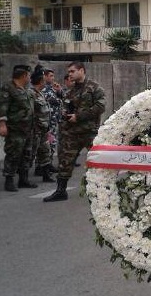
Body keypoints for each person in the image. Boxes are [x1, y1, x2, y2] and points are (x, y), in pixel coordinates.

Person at [43, 61, 106, 202]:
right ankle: (60, 191)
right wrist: (66, 113)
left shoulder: (94, 88)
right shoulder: (70, 91)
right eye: (69, 72)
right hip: (71, 133)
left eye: (72, 71)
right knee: (65, 162)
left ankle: (102, 191)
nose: (70, 74)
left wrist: (79, 116)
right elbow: (66, 106)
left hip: (89, 132)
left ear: (82, 71)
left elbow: (100, 107)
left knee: (99, 162)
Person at [0, 64, 37, 191]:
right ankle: (9, 180)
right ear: (24, 75)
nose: (30, 78)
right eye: (28, 75)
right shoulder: (8, 88)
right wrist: (2, 125)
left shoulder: (25, 89)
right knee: (13, 154)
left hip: (28, 128)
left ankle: (23, 179)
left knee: (26, 154)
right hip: (15, 129)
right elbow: (1, 107)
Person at [30, 65, 55, 182]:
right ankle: (22, 178)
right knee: (30, 154)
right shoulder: (31, 94)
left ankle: (46, 175)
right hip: (34, 130)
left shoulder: (40, 93)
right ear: (40, 81)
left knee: (45, 152)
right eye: (44, 80)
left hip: (43, 129)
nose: (46, 82)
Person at [40, 68, 63, 174]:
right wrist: (58, 96)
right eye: (50, 76)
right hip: (47, 122)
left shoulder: (51, 89)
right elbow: (55, 101)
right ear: (44, 76)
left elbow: (61, 98)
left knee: (51, 144)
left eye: (53, 76)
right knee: (48, 144)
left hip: (53, 121)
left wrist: (59, 91)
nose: (53, 78)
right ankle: (43, 166)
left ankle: (48, 165)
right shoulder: (43, 89)